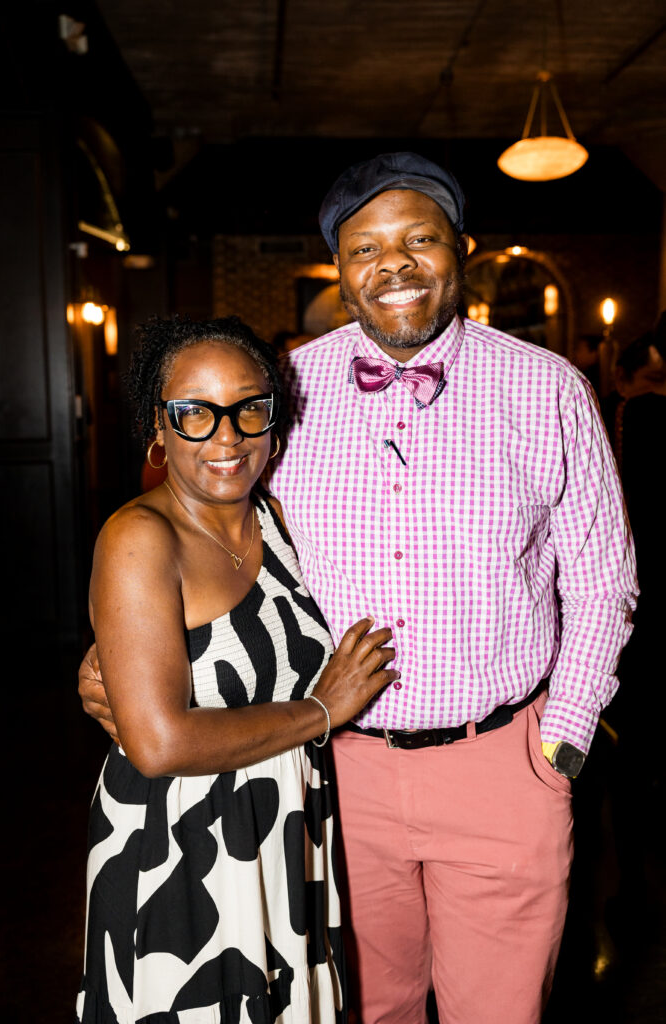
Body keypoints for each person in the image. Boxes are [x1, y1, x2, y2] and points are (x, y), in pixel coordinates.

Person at [81, 154, 638, 1024]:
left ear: (461, 250)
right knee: (364, 1010)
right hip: (330, 774)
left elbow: (605, 582)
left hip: (500, 764)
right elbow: (212, 529)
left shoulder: (549, 390)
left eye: (419, 239)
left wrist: (559, 743)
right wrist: (126, 638)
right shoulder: (280, 388)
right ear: (339, 269)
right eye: (365, 247)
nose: (394, 264)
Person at [75, 315, 399, 1023]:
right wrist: (322, 710)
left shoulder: (278, 520)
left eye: (248, 408)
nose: (227, 436)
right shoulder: (138, 539)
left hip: (283, 830)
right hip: (179, 852)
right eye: (194, 412)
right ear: (158, 426)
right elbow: (158, 745)